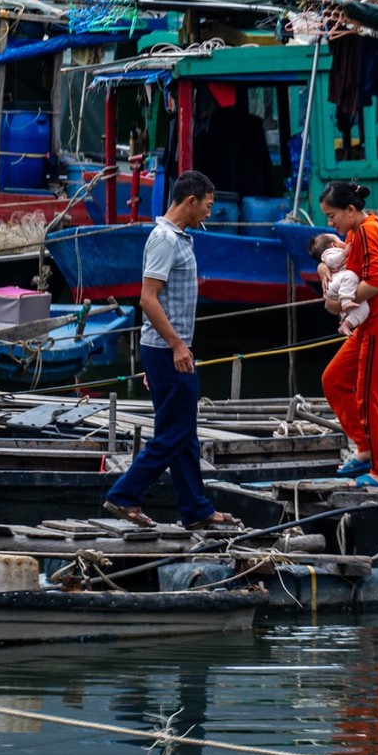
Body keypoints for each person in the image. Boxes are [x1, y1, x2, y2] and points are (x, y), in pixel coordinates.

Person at [102, 170, 240, 529]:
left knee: (184, 433)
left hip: (165, 350)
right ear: (190, 201)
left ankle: (195, 509)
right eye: (207, 206)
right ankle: (124, 494)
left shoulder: (180, 238)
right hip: (169, 350)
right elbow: (147, 299)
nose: (209, 213)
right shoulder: (164, 238)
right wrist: (176, 346)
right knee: (176, 433)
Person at [318, 181, 378, 489]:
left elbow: (375, 282)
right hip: (369, 324)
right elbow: (341, 257)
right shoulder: (356, 232)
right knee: (333, 379)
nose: (331, 224)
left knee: (371, 396)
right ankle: (364, 445)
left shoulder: (369, 231)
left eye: (333, 216)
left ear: (351, 210)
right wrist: (322, 268)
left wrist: (338, 301)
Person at [310, 232, 371, 335]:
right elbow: (331, 260)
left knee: (364, 309)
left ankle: (346, 323)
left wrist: (337, 306)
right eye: (340, 240)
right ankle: (346, 302)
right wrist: (343, 253)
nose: (345, 243)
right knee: (350, 276)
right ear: (333, 245)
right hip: (338, 283)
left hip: (343, 287)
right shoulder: (331, 253)